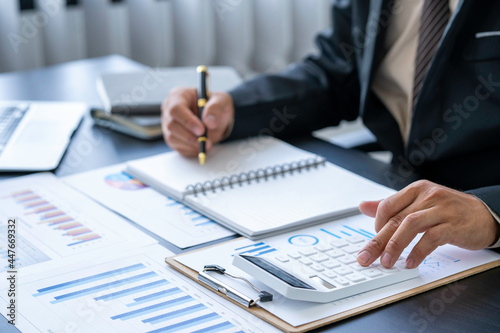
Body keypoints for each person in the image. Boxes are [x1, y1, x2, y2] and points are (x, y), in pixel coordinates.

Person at [161, 0, 500, 269]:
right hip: (395, 203)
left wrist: (488, 212)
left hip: (481, 234)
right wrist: (232, 110)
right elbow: (336, 73)